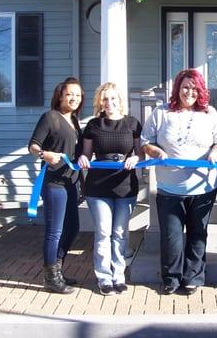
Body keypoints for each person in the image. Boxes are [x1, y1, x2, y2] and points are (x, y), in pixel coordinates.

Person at [141, 69, 217, 295]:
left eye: (194, 88)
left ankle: (194, 277)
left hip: (203, 188)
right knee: (172, 236)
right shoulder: (161, 113)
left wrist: (215, 154)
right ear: (178, 88)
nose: (189, 92)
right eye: (185, 87)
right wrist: (155, 151)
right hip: (169, 188)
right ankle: (171, 278)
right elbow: (145, 142)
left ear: (201, 91)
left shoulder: (210, 114)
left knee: (198, 233)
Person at [77, 82, 142, 296]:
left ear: (119, 101)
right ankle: (104, 278)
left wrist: (135, 158)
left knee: (120, 233)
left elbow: (139, 153)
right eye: (105, 99)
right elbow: (86, 154)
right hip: (98, 187)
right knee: (104, 232)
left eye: (113, 98)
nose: (109, 102)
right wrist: (83, 159)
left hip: (125, 186)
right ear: (100, 102)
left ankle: (119, 276)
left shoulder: (132, 124)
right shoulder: (94, 125)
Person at [28, 77, 84, 294]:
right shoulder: (50, 117)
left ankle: (57, 269)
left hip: (70, 182)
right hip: (54, 183)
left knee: (73, 228)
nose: (74, 98)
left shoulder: (75, 121)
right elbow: (33, 145)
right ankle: (51, 278)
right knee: (54, 232)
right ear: (60, 95)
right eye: (70, 94)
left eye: (78, 95)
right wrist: (44, 153)